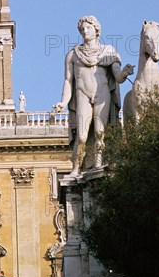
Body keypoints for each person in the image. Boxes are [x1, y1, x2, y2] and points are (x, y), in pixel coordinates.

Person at [54, 16, 134, 175]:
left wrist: (124, 73)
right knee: (82, 135)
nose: (85, 31)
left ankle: (98, 164)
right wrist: (63, 102)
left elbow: (117, 77)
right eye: (82, 29)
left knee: (100, 131)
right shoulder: (73, 54)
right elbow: (68, 81)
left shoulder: (109, 52)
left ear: (97, 29)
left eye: (88, 27)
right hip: (82, 94)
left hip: (102, 93)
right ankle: (76, 168)